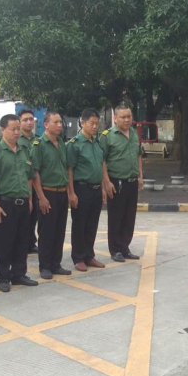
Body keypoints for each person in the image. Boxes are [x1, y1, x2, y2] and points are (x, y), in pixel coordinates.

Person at [0, 114, 38, 292]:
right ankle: (3, 277)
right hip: (5, 203)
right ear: (2, 130)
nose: (17, 132)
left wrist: (29, 199)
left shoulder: (24, 150)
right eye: (13, 129)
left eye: (18, 129)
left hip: (23, 202)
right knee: (4, 242)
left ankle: (19, 274)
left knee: (22, 240)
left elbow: (29, 176)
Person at [32, 111, 72, 279]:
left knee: (59, 231)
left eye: (60, 122)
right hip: (47, 193)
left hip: (62, 193)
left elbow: (66, 169)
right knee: (47, 232)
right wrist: (41, 197)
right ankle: (45, 266)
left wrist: (70, 192)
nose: (59, 125)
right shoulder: (39, 145)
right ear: (46, 124)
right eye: (55, 122)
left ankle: (56, 264)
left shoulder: (61, 143)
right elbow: (35, 173)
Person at [101, 105, 144, 262]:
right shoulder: (107, 136)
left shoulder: (134, 133)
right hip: (116, 181)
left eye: (129, 117)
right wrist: (106, 182)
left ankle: (125, 247)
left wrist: (140, 176)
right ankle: (115, 250)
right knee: (116, 217)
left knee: (129, 217)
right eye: (123, 117)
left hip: (132, 181)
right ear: (115, 118)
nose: (126, 120)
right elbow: (102, 160)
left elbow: (139, 155)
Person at [67, 108, 106, 272]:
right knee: (80, 224)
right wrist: (71, 192)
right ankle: (78, 257)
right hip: (81, 188)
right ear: (82, 123)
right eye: (91, 123)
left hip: (96, 189)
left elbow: (100, 166)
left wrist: (103, 188)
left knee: (92, 224)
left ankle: (89, 255)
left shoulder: (97, 142)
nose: (95, 126)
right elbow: (69, 169)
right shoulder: (74, 144)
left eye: (97, 123)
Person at [17, 108, 40, 254]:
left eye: (31, 119)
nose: (29, 122)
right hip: (22, 182)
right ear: (19, 122)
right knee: (23, 215)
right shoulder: (16, 139)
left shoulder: (38, 139)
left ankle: (31, 242)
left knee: (34, 215)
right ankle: (22, 243)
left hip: (37, 181)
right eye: (25, 120)